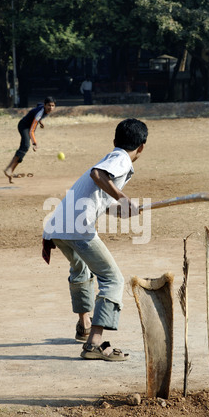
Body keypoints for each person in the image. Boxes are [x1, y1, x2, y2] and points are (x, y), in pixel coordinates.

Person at [42, 118, 148, 361]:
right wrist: (122, 196)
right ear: (141, 147)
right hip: (78, 229)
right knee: (112, 279)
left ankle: (84, 325)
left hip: (58, 228)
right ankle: (95, 344)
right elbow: (96, 174)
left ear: (114, 140)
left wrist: (124, 208)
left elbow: (103, 201)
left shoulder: (113, 159)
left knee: (81, 269)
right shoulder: (120, 159)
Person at [4, 97, 56, 183]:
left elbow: (38, 104)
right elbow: (31, 130)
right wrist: (34, 143)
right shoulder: (40, 113)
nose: (50, 108)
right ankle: (9, 169)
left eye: (53, 106)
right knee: (26, 146)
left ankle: (10, 170)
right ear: (45, 105)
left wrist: (40, 121)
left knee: (24, 147)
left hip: (28, 126)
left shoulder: (43, 109)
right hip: (24, 126)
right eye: (49, 105)